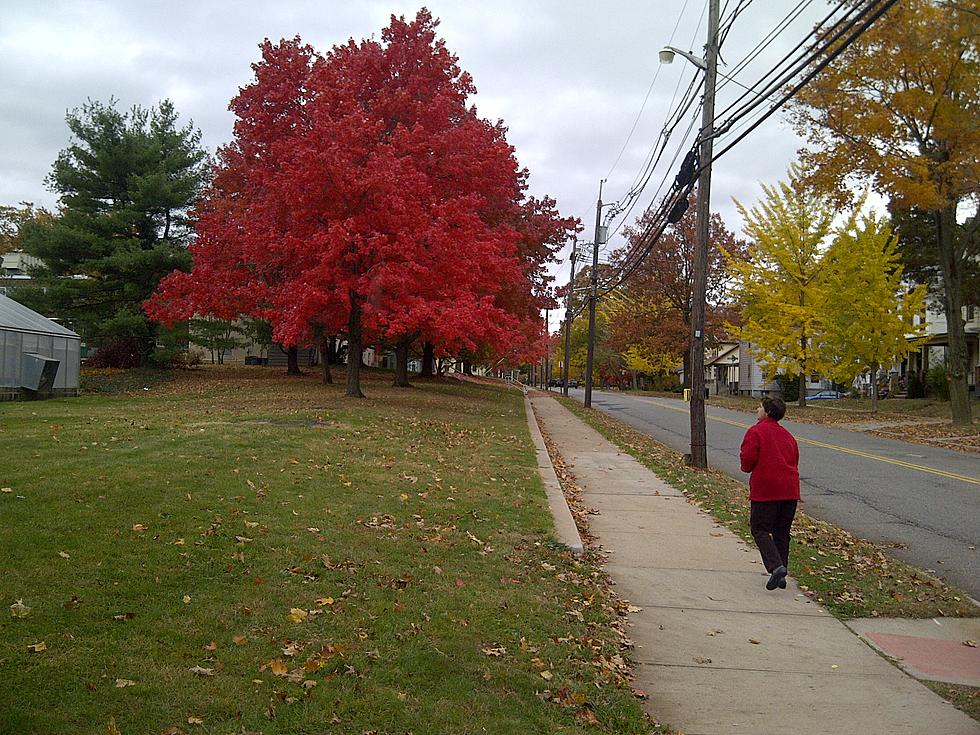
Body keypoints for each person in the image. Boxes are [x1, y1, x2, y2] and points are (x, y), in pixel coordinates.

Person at [739, 395, 800, 591]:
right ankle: (781, 574)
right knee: (782, 532)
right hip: (790, 491)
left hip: (766, 491)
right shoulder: (788, 435)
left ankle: (776, 567)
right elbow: (794, 459)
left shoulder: (755, 432)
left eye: (759, 407)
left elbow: (747, 460)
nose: (757, 410)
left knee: (760, 529)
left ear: (767, 412)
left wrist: (747, 467)